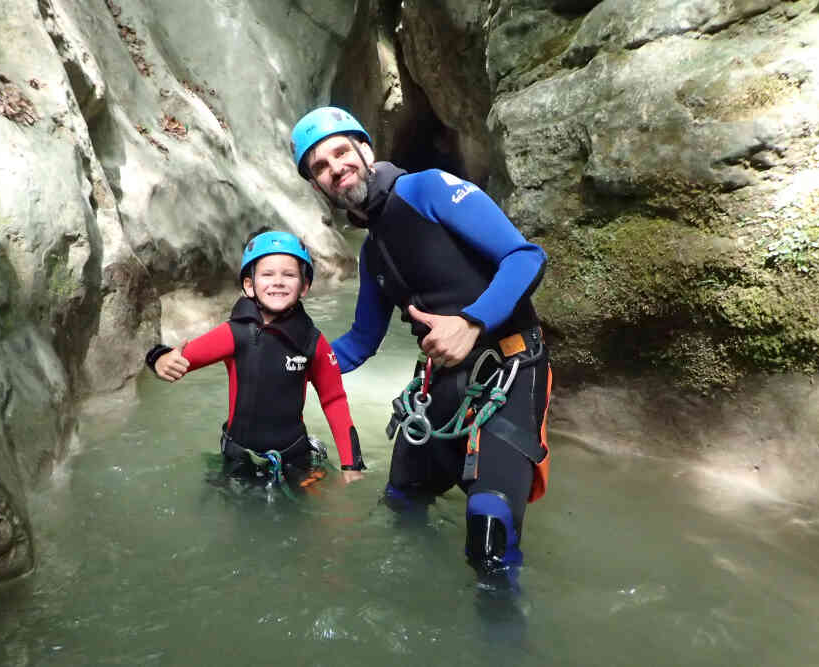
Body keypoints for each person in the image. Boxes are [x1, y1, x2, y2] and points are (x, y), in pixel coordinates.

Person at [289, 107, 552, 588]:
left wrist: (471, 322)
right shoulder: (373, 252)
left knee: (489, 527)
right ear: (317, 185)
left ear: (366, 149)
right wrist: (289, 364)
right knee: (401, 503)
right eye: (320, 168)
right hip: (440, 381)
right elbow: (361, 342)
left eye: (341, 152)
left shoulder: (429, 189)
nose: (335, 168)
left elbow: (525, 256)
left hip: (509, 366)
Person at [144, 229, 367, 487]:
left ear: (304, 286)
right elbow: (183, 358)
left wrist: (352, 464)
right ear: (249, 285)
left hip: (294, 459)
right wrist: (159, 359)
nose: (278, 281)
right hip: (240, 459)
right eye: (267, 274)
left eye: (289, 275)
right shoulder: (235, 333)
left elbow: (334, 400)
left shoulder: (313, 342)